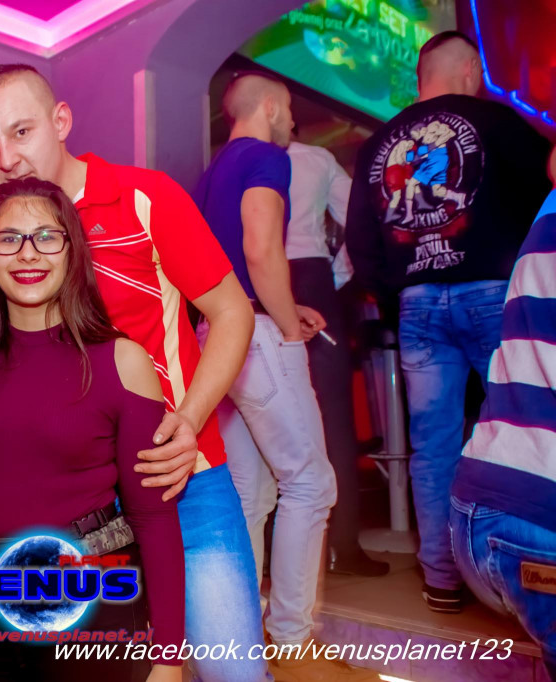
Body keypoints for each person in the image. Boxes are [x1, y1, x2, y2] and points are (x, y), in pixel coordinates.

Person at [0, 64, 267, 682]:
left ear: (61, 121)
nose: (6, 158)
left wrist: (189, 420)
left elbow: (232, 311)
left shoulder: (142, 197)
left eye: (21, 132)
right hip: (75, 508)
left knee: (231, 672)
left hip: (178, 481)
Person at [0, 178, 184, 682]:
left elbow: (155, 519)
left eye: (47, 237)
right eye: (9, 238)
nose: (27, 253)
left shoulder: (123, 362)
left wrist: (169, 659)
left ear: (72, 250)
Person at [346, 30, 553, 612]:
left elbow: (362, 242)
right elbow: (545, 193)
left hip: (417, 304)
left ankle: (442, 577)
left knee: (432, 448)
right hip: (491, 292)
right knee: (524, 425)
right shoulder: (497, 122)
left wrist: (399, 294)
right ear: (467, 71)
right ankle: (530, 571)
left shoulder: (377, 144)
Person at [193, 73, 371, 682]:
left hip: (216, 336)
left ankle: (239, 636)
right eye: (290, 109)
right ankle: (293, 642)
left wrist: (286, 307)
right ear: (269, 107)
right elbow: (261, 249)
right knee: (311, 484)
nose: (293, 122)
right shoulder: (268, 157)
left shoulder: (211, 172)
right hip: (257, 337)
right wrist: (287, 326)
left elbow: (222, 268)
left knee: (251, 494)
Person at [451, 146, 556, 679]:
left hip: (482, 504)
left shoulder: (547, 211)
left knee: (430, 442)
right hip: (540, 519)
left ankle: (437, 582)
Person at [285, 140, 388, 577]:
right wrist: (340, 273)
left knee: (273, 418)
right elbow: (360, 220)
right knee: (334, 417)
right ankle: (344, 547)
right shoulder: (315, 157)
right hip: (311, 278)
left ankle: (277, 550)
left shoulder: (231, 161)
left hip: (256, 280)